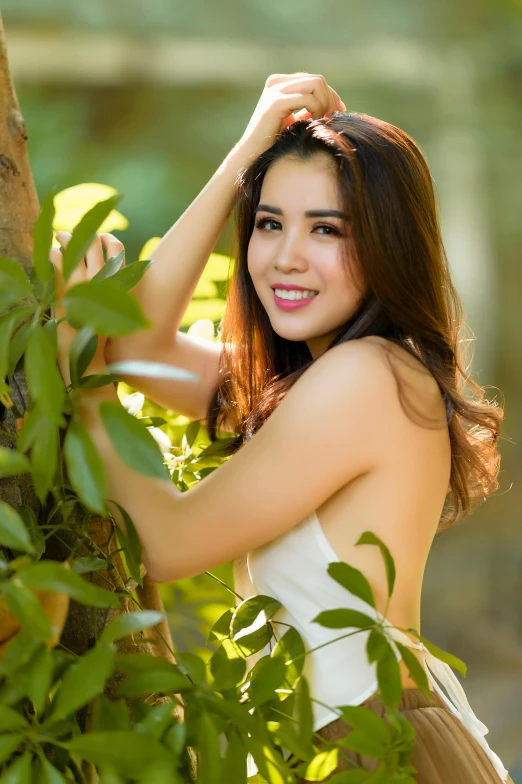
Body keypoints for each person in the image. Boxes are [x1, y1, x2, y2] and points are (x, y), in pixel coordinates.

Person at [51, 73, 512, 782]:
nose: (285, 257)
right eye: (269, 222)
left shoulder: (368, 378)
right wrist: (248, 150)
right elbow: (139, 350)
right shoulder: (318, 382)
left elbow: (167, 544)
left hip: (367, 747)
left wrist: (79, 379)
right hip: (330, 743)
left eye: (327, 229)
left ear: (389, 243)